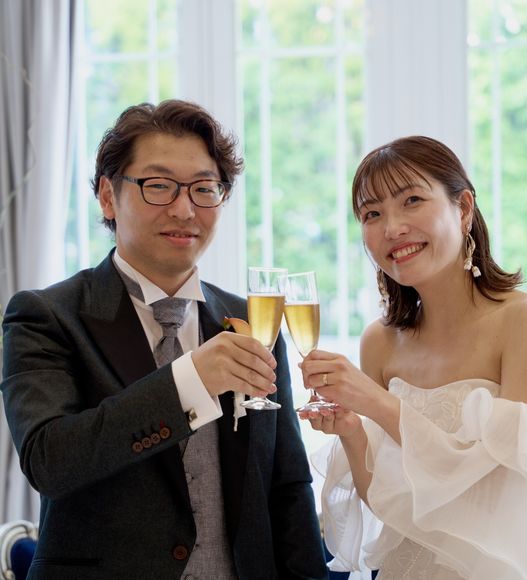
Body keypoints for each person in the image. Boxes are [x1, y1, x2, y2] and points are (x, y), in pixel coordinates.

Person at [1, 99, 328, 580]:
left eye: (204, 189)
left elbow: (288, 486)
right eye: (159, 186)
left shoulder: (251, 321)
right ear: (108, 197)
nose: (184, 209)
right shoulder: (46, 316)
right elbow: (50, 461)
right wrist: (191, 381)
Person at [299, 136, 527, 579]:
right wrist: (351, 430)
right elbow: (388, 503)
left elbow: (503, 494)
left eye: (411, 200)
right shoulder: (379, 341)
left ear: (463, 208)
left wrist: (375, 402)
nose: (392, 228)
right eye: (372, 214)